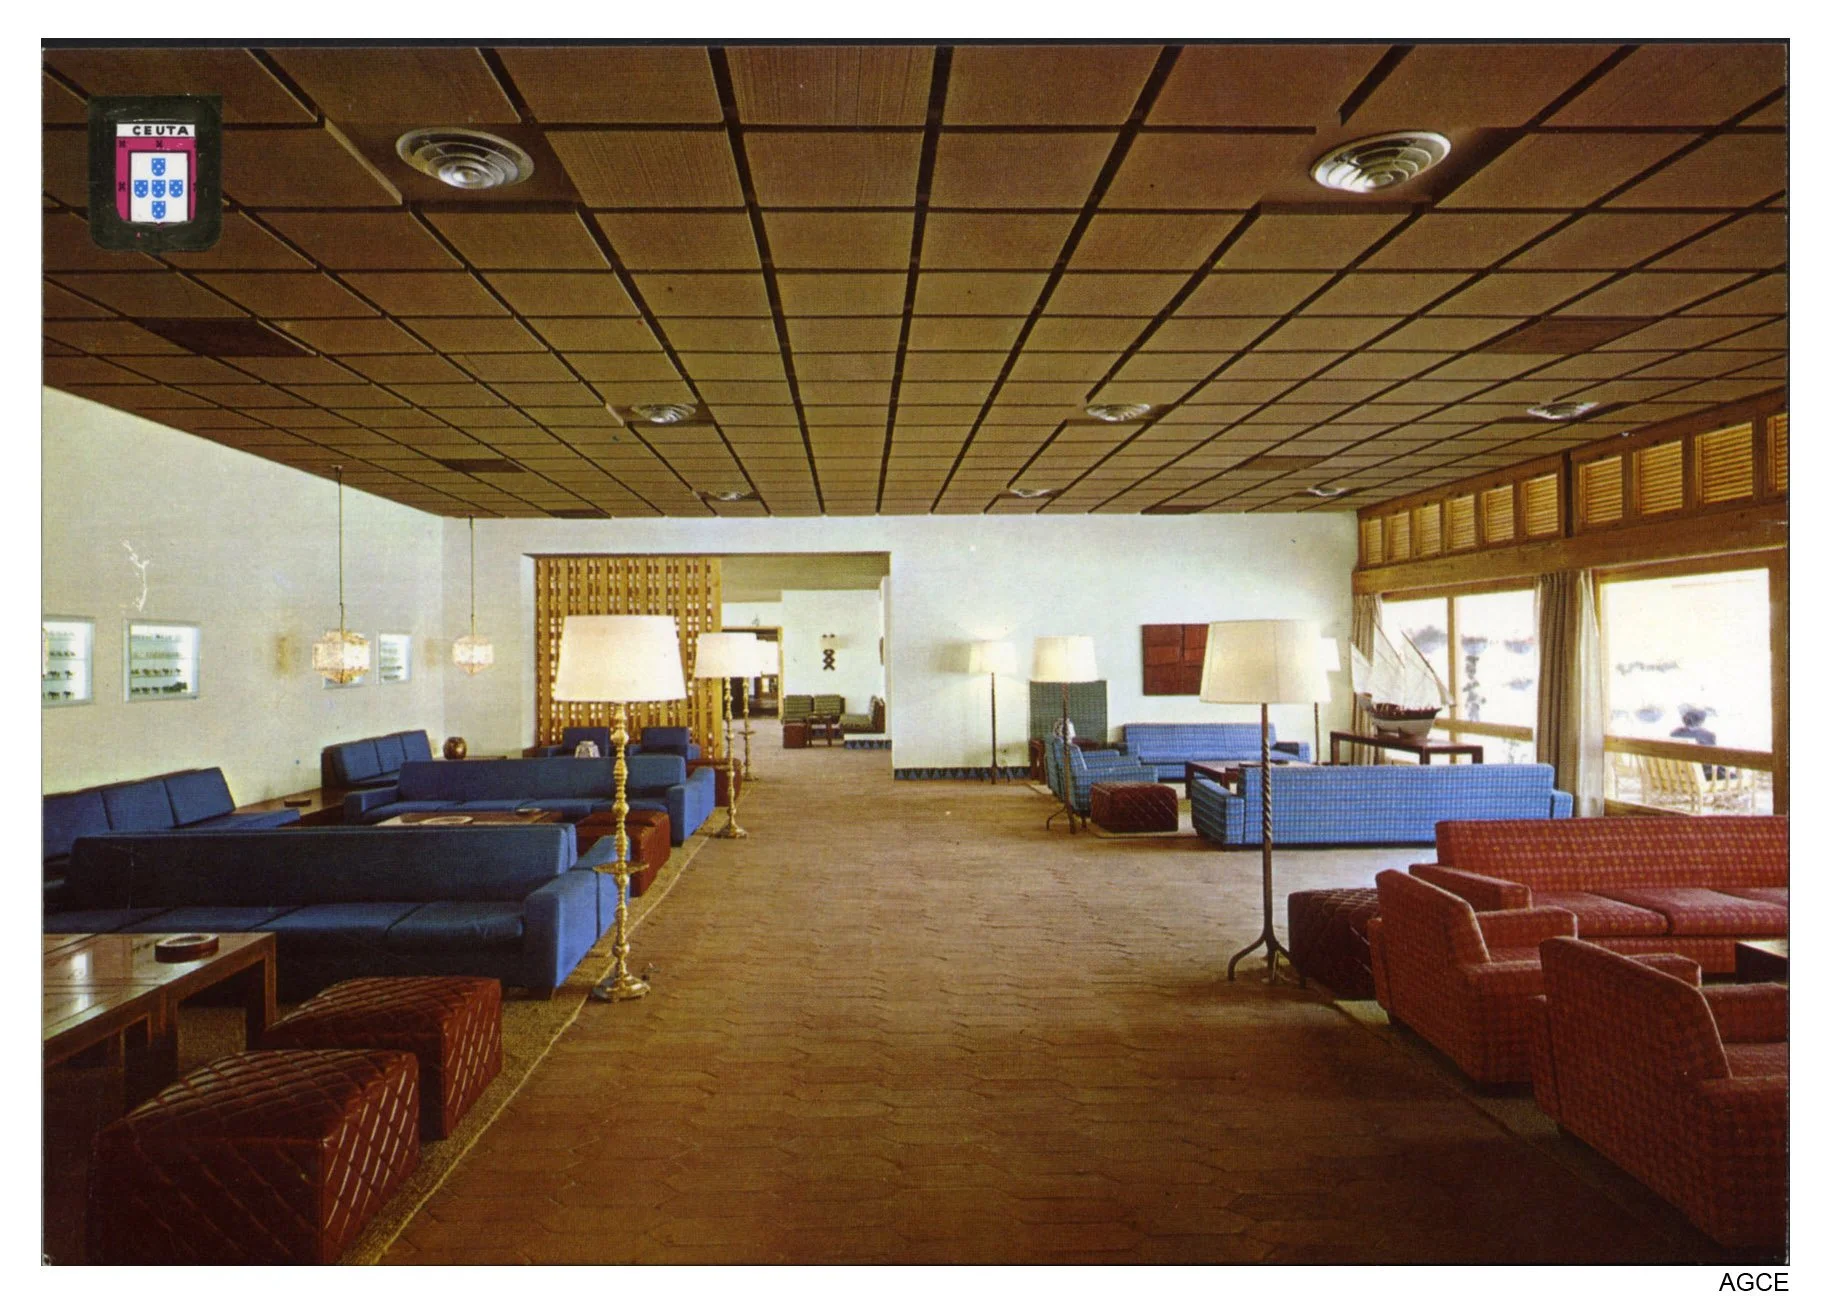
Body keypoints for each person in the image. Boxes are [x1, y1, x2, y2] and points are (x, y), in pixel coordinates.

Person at [1670, 709, 1726, 778]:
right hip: (1703, 776)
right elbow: (1713, 759)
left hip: (1680, 776)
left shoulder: (1675, 734)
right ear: (1701, 721)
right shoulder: (1707, 735)